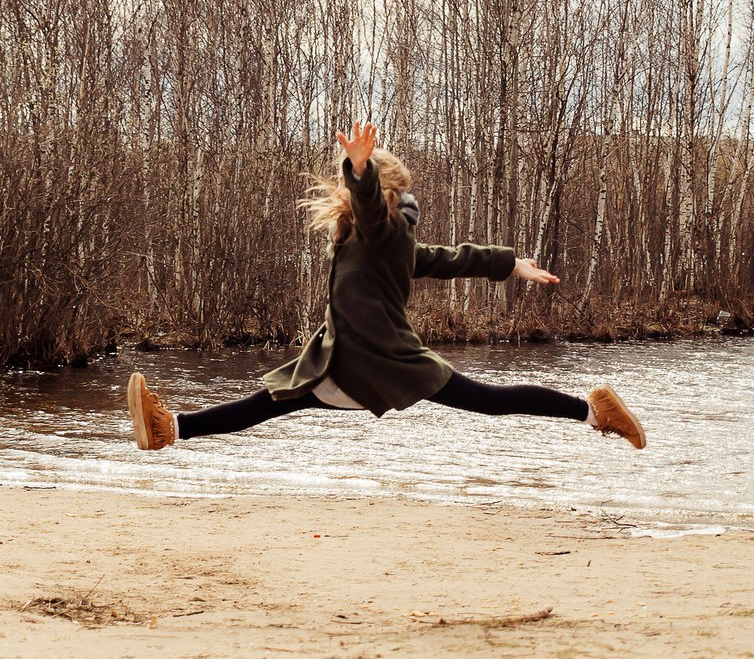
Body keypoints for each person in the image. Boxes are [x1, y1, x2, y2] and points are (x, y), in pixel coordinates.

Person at [126, 121, 647, 452]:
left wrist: (361, 171)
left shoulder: (383, 229)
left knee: (490, 400)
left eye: (365, 186)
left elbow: (378, 213)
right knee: (266, 401)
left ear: (383, 191)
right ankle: (169, 429)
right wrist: (507, 264)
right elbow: (446, 258)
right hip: (344, 361)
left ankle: (592, 410)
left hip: (384, 361)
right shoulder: (369, 242)